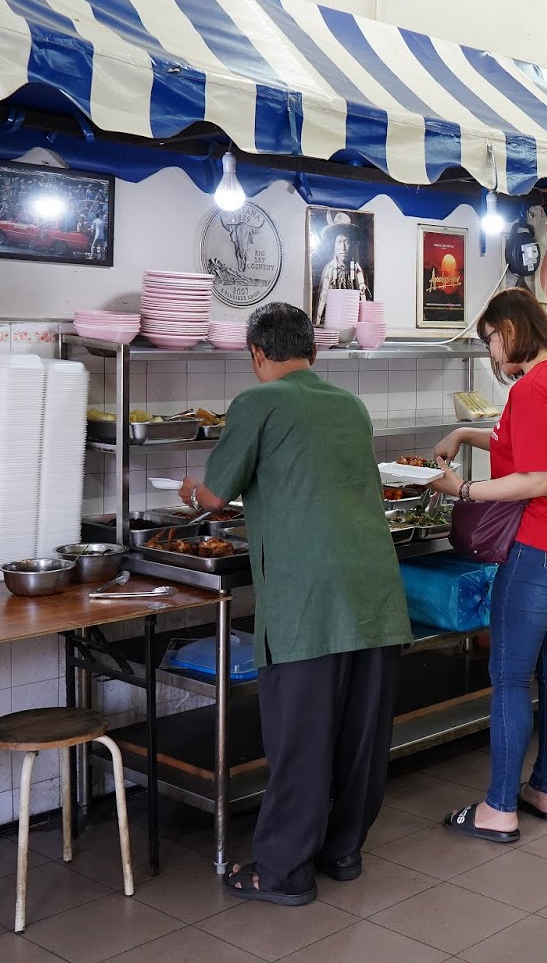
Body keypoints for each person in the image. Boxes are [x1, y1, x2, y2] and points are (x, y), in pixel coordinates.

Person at [179, 302, 411, 905]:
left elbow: (214, 493)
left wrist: (190, 491)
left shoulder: (258, 401)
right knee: (361, 734)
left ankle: (282, 871)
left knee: (302, 737)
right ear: (312, 349)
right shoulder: (351, 405)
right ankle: (343, 850)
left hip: (310, 595)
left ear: (258, 353)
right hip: (376, 588)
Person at [430, 288, 547, 842]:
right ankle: (541, 791)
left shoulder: (531, 388)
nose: (493, 354)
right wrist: (463, 433)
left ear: (509, 329)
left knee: (506, 677)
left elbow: (537, 479)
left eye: (491, 341)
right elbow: (523, 443)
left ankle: (498, 809)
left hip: (541, 549)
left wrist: (466, 488)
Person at [313, 214, 371, 324]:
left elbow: (363, 296)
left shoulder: (356, 268)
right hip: (333, 320)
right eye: (339, 242)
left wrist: (364, 324)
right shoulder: (330, 269)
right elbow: (323, 296)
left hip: (352, 321)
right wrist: (317, 324)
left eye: (347, 242)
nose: (343, 248)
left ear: (352, 245)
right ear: (333, 245)